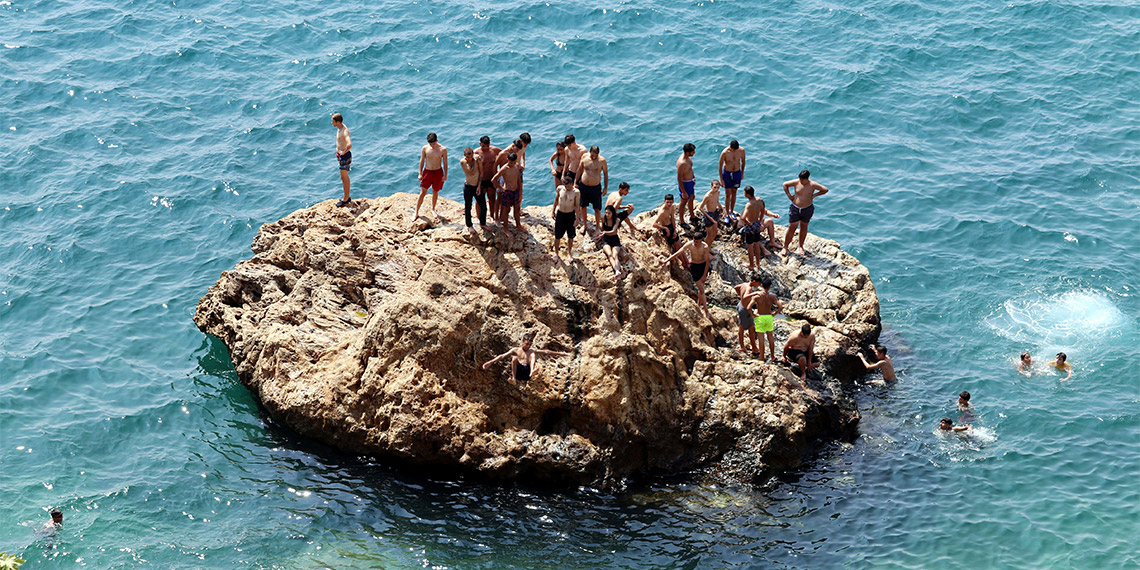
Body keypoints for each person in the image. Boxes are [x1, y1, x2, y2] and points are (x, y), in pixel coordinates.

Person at [661, 230, 713, 319]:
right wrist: (666, 261)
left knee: (701, 289)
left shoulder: (705, 247)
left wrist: (704, 275)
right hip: (694, 267)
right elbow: (678, 253)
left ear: (701, 241)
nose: (695, 243)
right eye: (694, 241)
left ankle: (698, 305)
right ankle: (706, 311)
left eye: (697, 242)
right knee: (701, 289)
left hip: (703, 267)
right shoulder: (690, 244)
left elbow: (707, 262)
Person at [482, 333, 571, 383]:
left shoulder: (531, 350)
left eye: (530, 344)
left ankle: (532, 372)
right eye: (527, 344)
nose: (528, 346)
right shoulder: (515, 350)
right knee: (514, 358)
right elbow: (502, 356)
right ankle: (513, 378)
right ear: (522, 342)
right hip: (519, 372)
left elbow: (546, 352)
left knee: (533, 354)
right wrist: (490, 362)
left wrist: (560, 354)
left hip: (527, 371)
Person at [782, 169, 829, 256]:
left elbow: (825, 189)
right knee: (792, 227)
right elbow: (785, 184)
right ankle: (785, 247)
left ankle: (800, 246)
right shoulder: (796, 182)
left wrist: (814, 195)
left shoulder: (812, 184)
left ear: (807, 179)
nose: (800, 181)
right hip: (795, 208)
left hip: (807, 208)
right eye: (799, 179)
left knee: (804, 227)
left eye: (802, 179)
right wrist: (789, 195)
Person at [738, 186, 779, 269]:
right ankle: (758, 264)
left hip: (751, 226)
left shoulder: (749, 205)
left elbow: (742, 218)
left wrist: (748, 223)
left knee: (750, 247)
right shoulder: (759, 200)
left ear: (747, 194)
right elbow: (763, 210)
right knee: (756, 244)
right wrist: (760, 221)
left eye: (744, 192)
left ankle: (751, 265)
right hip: (757, 224)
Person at [413, 132, 448, 224]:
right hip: (427, 171)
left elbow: (445, 163)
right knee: (422, 192)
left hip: (438, 172)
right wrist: (420, 173)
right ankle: (416, 212)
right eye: (430, 144)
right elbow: (422, 161)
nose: (432, 145)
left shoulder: (443, 149)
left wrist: (445, 175)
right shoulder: (425, 148)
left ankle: (433, 209)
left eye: (433, 143)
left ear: (437, 140)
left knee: (435, 191)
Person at [574, 145, 609, 239]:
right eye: (592, 155)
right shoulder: (584, 157)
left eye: (596, 155)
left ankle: (597, 227)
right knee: (583, 206)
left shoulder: (602, 161)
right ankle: (584, 225)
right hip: (583, 186)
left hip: (595, 187)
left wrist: (605, 187)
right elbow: (580, 169)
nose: (594, 157)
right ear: (590, 152)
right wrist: (575, 182)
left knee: (597, 209)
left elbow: (605, 174)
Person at [750, 275, 783, 362]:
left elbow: (748, 307)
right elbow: (780, 307)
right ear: (770, 286)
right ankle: (772, 356)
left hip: (760, 317)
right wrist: (774, 314)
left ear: (761, 285)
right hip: (769, 317)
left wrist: (753, 314)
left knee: (761, 339)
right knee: (770, 338)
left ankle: (762, 357)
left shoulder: (757, 296)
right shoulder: (772, 297)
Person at [492, 152, 525, 236]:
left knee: (517, 209)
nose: (512, 164)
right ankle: (506, 229)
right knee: (506, 211)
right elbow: (494, 179)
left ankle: (518, 225)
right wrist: (501, 188)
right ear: (508, 160)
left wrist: (520, 190)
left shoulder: (516, 166)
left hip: (516, 191)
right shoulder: (504, 168)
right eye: (510, 162)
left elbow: (518, 178)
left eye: (513, 162)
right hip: (507, 192)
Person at [474, 136, 502, 222]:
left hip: (491, 178)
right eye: (483, 146)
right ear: (480, 144)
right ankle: (478, 217)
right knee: (479, 200)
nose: (485, 148)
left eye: (487, 146)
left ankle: (492, 216)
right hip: (481, 180)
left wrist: (502, 170)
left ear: (489, 144)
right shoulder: (476, 152)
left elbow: (506, 154)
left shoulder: (495, 150)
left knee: (492, 198)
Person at [459, 147, 487, 233]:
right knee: (468, 206)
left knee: (483, 206)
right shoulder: (463, 162)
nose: (469, 159)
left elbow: (481, 173)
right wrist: (473, 161)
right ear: (464, 156)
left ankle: (482, 223)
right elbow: (470, 173)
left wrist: (479, 186)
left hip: (477, 186)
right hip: (468, 186)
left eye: (470, 157)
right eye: (467, 157)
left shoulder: (477, 160)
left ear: (473, 154)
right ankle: (469, 225)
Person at [734, 274, 762, 355]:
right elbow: (746, 296)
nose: (759, 285)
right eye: (758, 283)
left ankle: (753, 347)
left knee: (750, 327)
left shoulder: (744, 284)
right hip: (745, 309)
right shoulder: (749, 288)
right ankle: (744, 347)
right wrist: (754, 293)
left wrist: (740, 296)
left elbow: (736, 287)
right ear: (754, 282)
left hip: (740, 305)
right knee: (743, 327)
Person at [652, 194, 684, 262]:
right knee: (677, 247)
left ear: (673, 201)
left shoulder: (671, 207)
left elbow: (672, 218)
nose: (669, 204)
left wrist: (675, 230)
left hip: (671, 227)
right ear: (664, 201)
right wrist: (665, 228)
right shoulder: (662, 212)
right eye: (667, 202)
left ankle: (687, 262)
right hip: (666, 229)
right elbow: (654, 224)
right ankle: (684, 263)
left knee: (680, 245)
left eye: (670, 202)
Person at [551, 184, 580, 260]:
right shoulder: (560, 189)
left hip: (570, 215)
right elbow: (556, 200)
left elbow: (577, 206)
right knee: (557, 236)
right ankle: (556, 254)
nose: (567, 188)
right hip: (560, 214)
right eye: (566, 186)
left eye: (569, 186)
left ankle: (569, 254)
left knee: (570, 236)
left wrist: (577, 219)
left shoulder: (576, 192)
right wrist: (553, 211)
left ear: (571, 184)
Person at [718, 140, 745, 218]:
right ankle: (726, 213)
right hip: (727, 173)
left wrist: (742, 173)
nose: (735, 151)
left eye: (736, 149)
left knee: (734, 192)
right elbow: (720, 166)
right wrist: (721, 179)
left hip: (737, 173)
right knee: (727, 194)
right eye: (734, 149)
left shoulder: (741, 150)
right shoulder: (725, 152)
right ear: (730, 147)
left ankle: (732, 211)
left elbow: (743, 162)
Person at [599, 205, 626, 279]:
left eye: (609, 213)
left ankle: (617, 271)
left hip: (614, 239)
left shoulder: (616, 220)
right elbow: (602, 228)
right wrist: (601, 234)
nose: (607, 215)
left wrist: (605, 232)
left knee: (615, 255)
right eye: (606, 213)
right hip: (606, 239)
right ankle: (617, 271)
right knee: (609, 254)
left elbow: (614, 232)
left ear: (613, 213)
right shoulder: (603, 218)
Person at [331, 113, 352, 207]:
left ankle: (346, 198)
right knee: (343, 177)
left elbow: (349, 144)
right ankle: (346, 196)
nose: (331, 122)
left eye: (333, 121)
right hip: (341, 156)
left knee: (345, 177)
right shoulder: (340, 128)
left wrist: (343, 152)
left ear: (338, 122)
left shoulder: (344, 131)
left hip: (345, 156)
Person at [698, 180, 724, 247]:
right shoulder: (707, 196)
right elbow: (700, 208)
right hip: (708, 215)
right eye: (715, 187)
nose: (716, 189)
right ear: (711, 186)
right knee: (709, 235)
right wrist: (709, 217)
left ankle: (709, 246)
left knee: (715, 232)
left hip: (715, 213)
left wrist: (721, 208)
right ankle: (706, 248)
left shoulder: (718, 192)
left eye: (718, 187)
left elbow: (717, 201)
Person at [676, 143, 697, 224]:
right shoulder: (682, 163)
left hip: (690, 182)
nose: (694, 152)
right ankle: (682, 221)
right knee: (683, 201)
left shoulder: (688, 158)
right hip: (685, 184)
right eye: (693, 151)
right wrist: (683, 192)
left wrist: (693, 178)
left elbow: (690, 169)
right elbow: (679, 178)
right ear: (688, 152)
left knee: (692, 197)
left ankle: (692, 216)